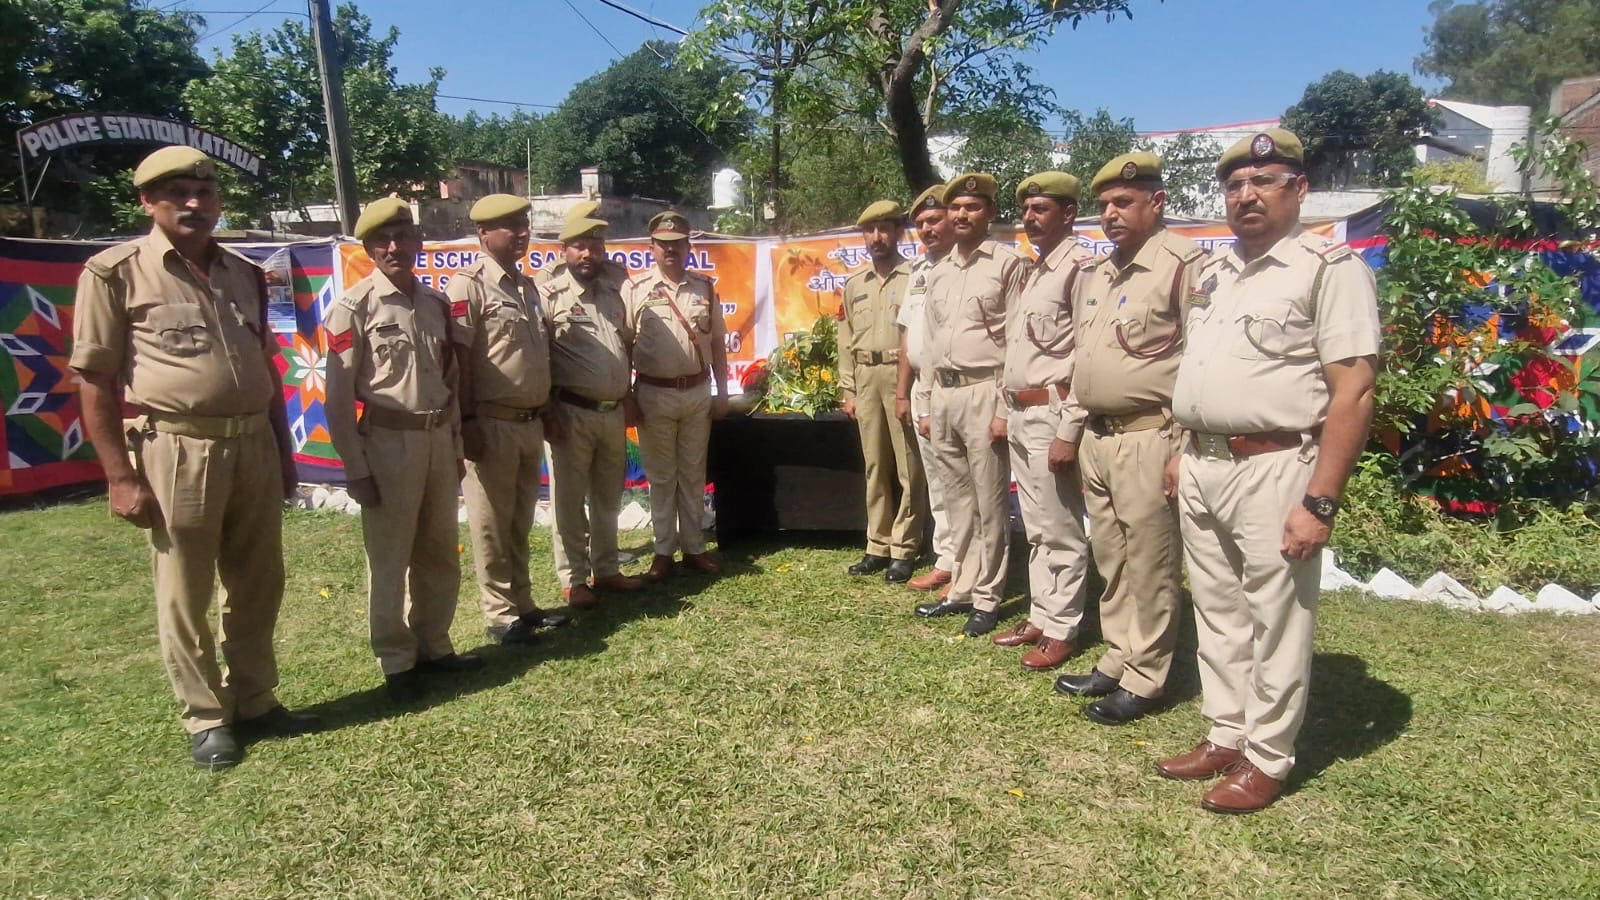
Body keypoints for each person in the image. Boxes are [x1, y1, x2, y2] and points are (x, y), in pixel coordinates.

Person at [71, 145, 320, 770]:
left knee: (259, 580)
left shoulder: (242, 271)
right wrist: (119, 477)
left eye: (204, 192)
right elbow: (94, 380)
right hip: (177, 445)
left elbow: (262, 366)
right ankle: (207, 718)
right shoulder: (114, 272)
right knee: (186, 589)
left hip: (254, 445)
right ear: (148, 202)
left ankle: (257, 698)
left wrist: (285, 454)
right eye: (177, 192)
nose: (193, 203)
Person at [1157, 129, 1379, 814]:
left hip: (1276, 465)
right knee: (1219, 609)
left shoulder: (1327, 269)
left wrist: (1321, 501)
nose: (1246, 195)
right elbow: (1199, 370)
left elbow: (1355, 389)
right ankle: (1227, 732)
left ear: (1299, 189)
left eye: (1265, 181)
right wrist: (1182, 445)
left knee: (1276, 616)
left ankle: (1268, 756)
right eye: (1234, 186)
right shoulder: (1219, 273)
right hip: (1203, 463)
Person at [1053, 152, 1206, 725]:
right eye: (1104, 206)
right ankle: (1119, 655)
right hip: (1097, 435)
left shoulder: (1181, 265)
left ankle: (1148, 675)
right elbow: (1082, 357)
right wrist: (1072, 426)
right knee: (1111, 556)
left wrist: (1182, 446)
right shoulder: (1099, 272)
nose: (1111, 215)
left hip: (1149, 436)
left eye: (1124, 202)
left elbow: (1199, 358)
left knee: (1151, 561)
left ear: (1156, 202)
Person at [325, 196, 480, 702]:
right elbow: (338, 397)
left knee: (440, 552)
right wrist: (355, 467)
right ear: (369, 248)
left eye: (403, 237)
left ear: (418, 242)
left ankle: (436, 643)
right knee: (390, 558)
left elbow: (451, 382)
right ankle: (396, 660)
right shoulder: (353, 308)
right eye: (382, 241)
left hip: (438, 440)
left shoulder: (435, 304)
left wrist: (456, 444)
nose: (395, 248)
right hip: (388, 444)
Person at [447, 194, 568, 646]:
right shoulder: (470, 286)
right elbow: (459, 359)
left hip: (529, 422)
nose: (522, 233)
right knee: (491, 524)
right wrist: (467, 420)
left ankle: (524, 604)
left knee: (518, 520)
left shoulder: (525, 285)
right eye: (510, 226)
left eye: (524, 223)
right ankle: (500, 614)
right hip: (491, 423)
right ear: (483, 233)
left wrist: (548, 407)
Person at [913, 173, 1028, 637]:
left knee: (988, 500)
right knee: (956, 499)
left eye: (973, 208)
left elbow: (1018, 341)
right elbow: (931, 341)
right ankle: (961, 584)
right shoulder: (936, 271)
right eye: (956, 207)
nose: (962, 215)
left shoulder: (1006, 265)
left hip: (985, 390)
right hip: (942, 393)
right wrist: (924, 402)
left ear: (990, 214)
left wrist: (1004, 410)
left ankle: (988, 595)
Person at [990, 172, 1094, 671]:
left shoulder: (1081, 268)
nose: (1029, 218)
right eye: (1026, 210)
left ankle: (1063, 626)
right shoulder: (1035, 271)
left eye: (1041, 210)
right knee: (1035, 526)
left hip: (1052, 410)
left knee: (1062, 527)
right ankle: (1041, 613)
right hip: (1021, 409)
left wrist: (1068, 429)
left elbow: (1086, 356)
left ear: (1069, 213)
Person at [544, 211, 647, 606]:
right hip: (571, 412)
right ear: (564, 251)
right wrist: (548, 406)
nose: (588, 253)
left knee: (607, 497)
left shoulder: (614, 292)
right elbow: (540, 355)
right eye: (580, 246)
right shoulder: (550, 296)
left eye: (595, 245)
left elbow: (626, 346)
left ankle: (606, 570)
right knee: (569, 502)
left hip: (612, 413)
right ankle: (574, 579)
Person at [623, 210, 729, 578]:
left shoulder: (705, 288)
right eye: (663, 245)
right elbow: (622, 345)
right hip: (654, 393)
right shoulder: (634, 290)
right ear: (651, 248)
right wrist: (626, 396)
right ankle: (663, 551)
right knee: (661, 476)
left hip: (697, 391)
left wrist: (723, 391)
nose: (671, 250)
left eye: (677, 244)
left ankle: (694, 548)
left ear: (688, 247)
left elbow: (717, 344)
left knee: (693, 472)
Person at [840, 200, 927, 583]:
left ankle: (905, 547)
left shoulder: (914, 277)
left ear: (898, 232)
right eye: (870, 230)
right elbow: (845, 338)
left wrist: (908, 389)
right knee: (875, 465)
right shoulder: (854, 284)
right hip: (866, 376)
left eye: (885, 229)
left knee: (908, 465)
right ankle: (877, 543)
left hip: (900, 375)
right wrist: (848, 389)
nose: (877, 237)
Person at [898, 186, 956, 594]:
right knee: (938, 481)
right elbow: (907, 336)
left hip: (956, 388)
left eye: (933, 220)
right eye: (920, 224)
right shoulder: (918, 272)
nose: (926, 229)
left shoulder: (966, 266)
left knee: (963, 483)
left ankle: (973, 567)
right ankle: (947, 558)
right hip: (922, 388)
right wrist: (903, 392)